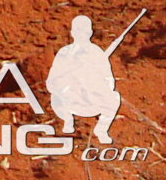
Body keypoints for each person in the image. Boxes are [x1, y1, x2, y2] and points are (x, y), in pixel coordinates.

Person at [46, 16, 122, 144]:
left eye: (85, 32)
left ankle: (101, 130)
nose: (81, 35)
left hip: (91, 99)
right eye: (78, 31)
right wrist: (68, 82)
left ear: (90, 33)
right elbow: (51, 82)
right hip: (69, 99)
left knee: (114, 97)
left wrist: (94, 82)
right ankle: (67, 121)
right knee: (56, 97)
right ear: (72, 33)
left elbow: (109, 81)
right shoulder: (64, 53)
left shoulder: (97, 53)